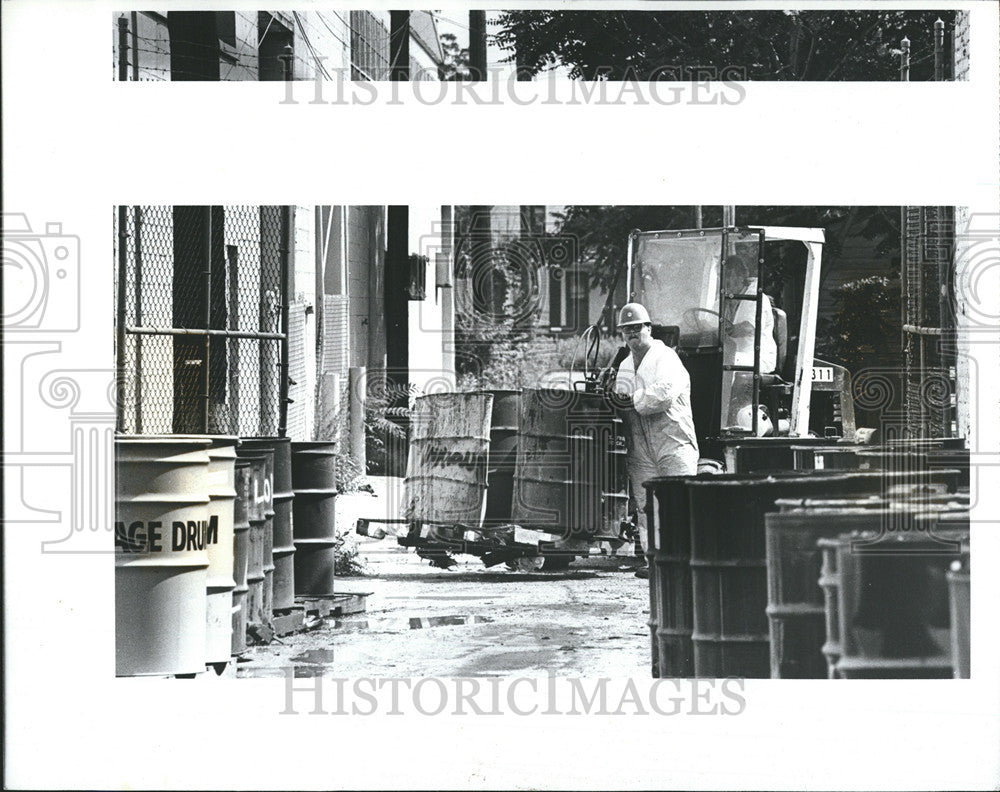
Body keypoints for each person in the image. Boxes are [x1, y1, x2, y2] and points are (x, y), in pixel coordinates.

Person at [611, 302, 699, 578]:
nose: (632, 334)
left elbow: (663, 396)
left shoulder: (666, 358)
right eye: (627, 330)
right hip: (640, 443)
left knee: (679, 499)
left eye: (637, 328)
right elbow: (618, 398)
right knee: (646, 504)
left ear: (648, 328)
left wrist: (631, 400)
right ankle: (655, 562)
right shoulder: (626, 364)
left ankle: (685, 560)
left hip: (672, 439)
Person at [721, 255, 777, 431]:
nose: (726, 281)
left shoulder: (756, 297)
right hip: (737, 353)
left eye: (730, 275)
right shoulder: (727, 298)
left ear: (740, 276)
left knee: (728, 363)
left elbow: (747, 328)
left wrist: (721, 330)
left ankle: (727, 420)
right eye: (724, 276)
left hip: (758, 355)